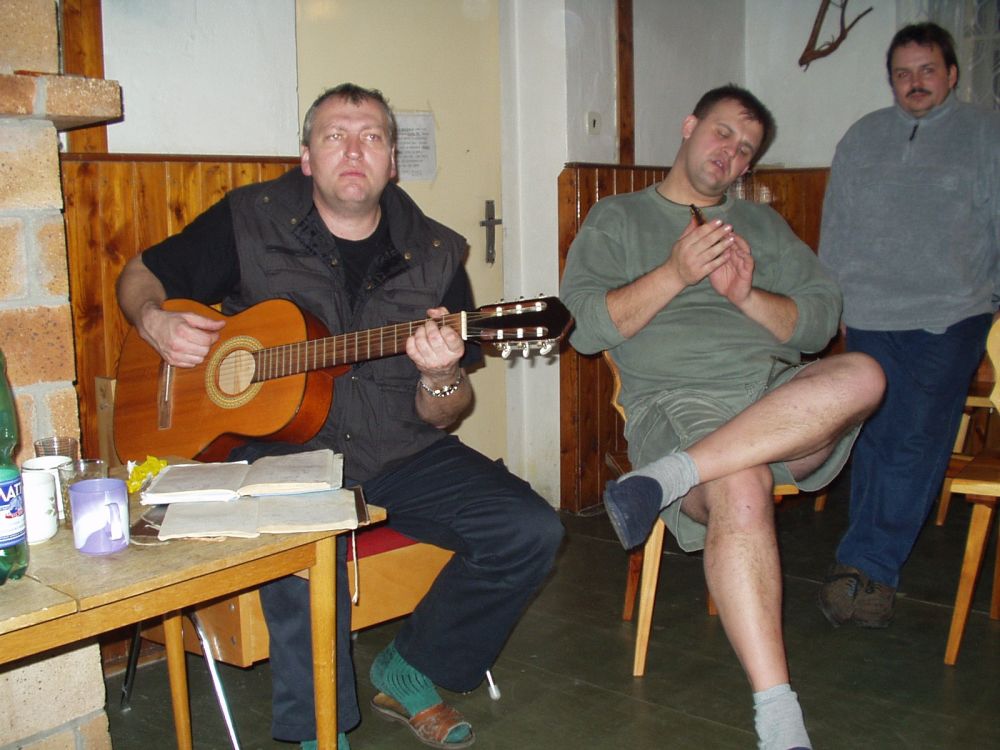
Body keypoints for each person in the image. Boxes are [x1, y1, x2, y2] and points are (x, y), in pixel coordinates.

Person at [116, 83, 564, 750]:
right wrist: (153, 320)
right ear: (306, 158)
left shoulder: (438, 252)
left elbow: (446, 414)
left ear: (392, 161)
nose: (354, 151)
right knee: (304, 537)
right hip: (274, 449)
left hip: (397, 448)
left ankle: (411, 666)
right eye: (335, 136)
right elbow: (138, 275)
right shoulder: (249, 220)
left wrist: (440, 376)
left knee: (530, 529)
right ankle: (318, 731)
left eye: (372, 137)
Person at [560, 84, 885, 750]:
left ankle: (671, 476)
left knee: (867, 374)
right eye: (723, 132)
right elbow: (585, 329)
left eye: (746, 149)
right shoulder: (617, 219)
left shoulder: (762, 226)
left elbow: (820, 320)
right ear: (689, 126)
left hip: (777, 400)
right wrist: (675, 273)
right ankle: (780, 720)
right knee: (742, 482)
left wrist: (745, 296)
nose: (732, 153)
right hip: (677, 404)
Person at [817, 23, 1000, 629]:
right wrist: (835, 304)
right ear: (891, 80)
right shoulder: (863, 136)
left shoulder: (985, 134)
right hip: (870, 314)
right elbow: (836, 227)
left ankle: (867, 567)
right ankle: (866, 565)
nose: (915, 82)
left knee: (916, 437)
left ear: (952, 74)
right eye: (903, 73)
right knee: (875, 436)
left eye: (927, 70)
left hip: (951, 314)